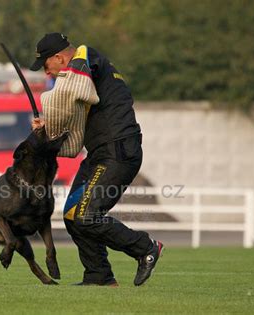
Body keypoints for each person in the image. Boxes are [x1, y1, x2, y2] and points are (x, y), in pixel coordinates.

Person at [30, 33, 164, 286]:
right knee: (72, 214)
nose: (47, 74)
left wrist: (52, 106)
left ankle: (146, 248)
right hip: (100, 153)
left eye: (46, 66)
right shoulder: (87, 77)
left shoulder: (86, 57)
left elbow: (73, 81)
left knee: (86, 215)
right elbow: (74, 113)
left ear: (60, 57)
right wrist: (48, 127)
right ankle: (99, 275)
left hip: (118, 152)